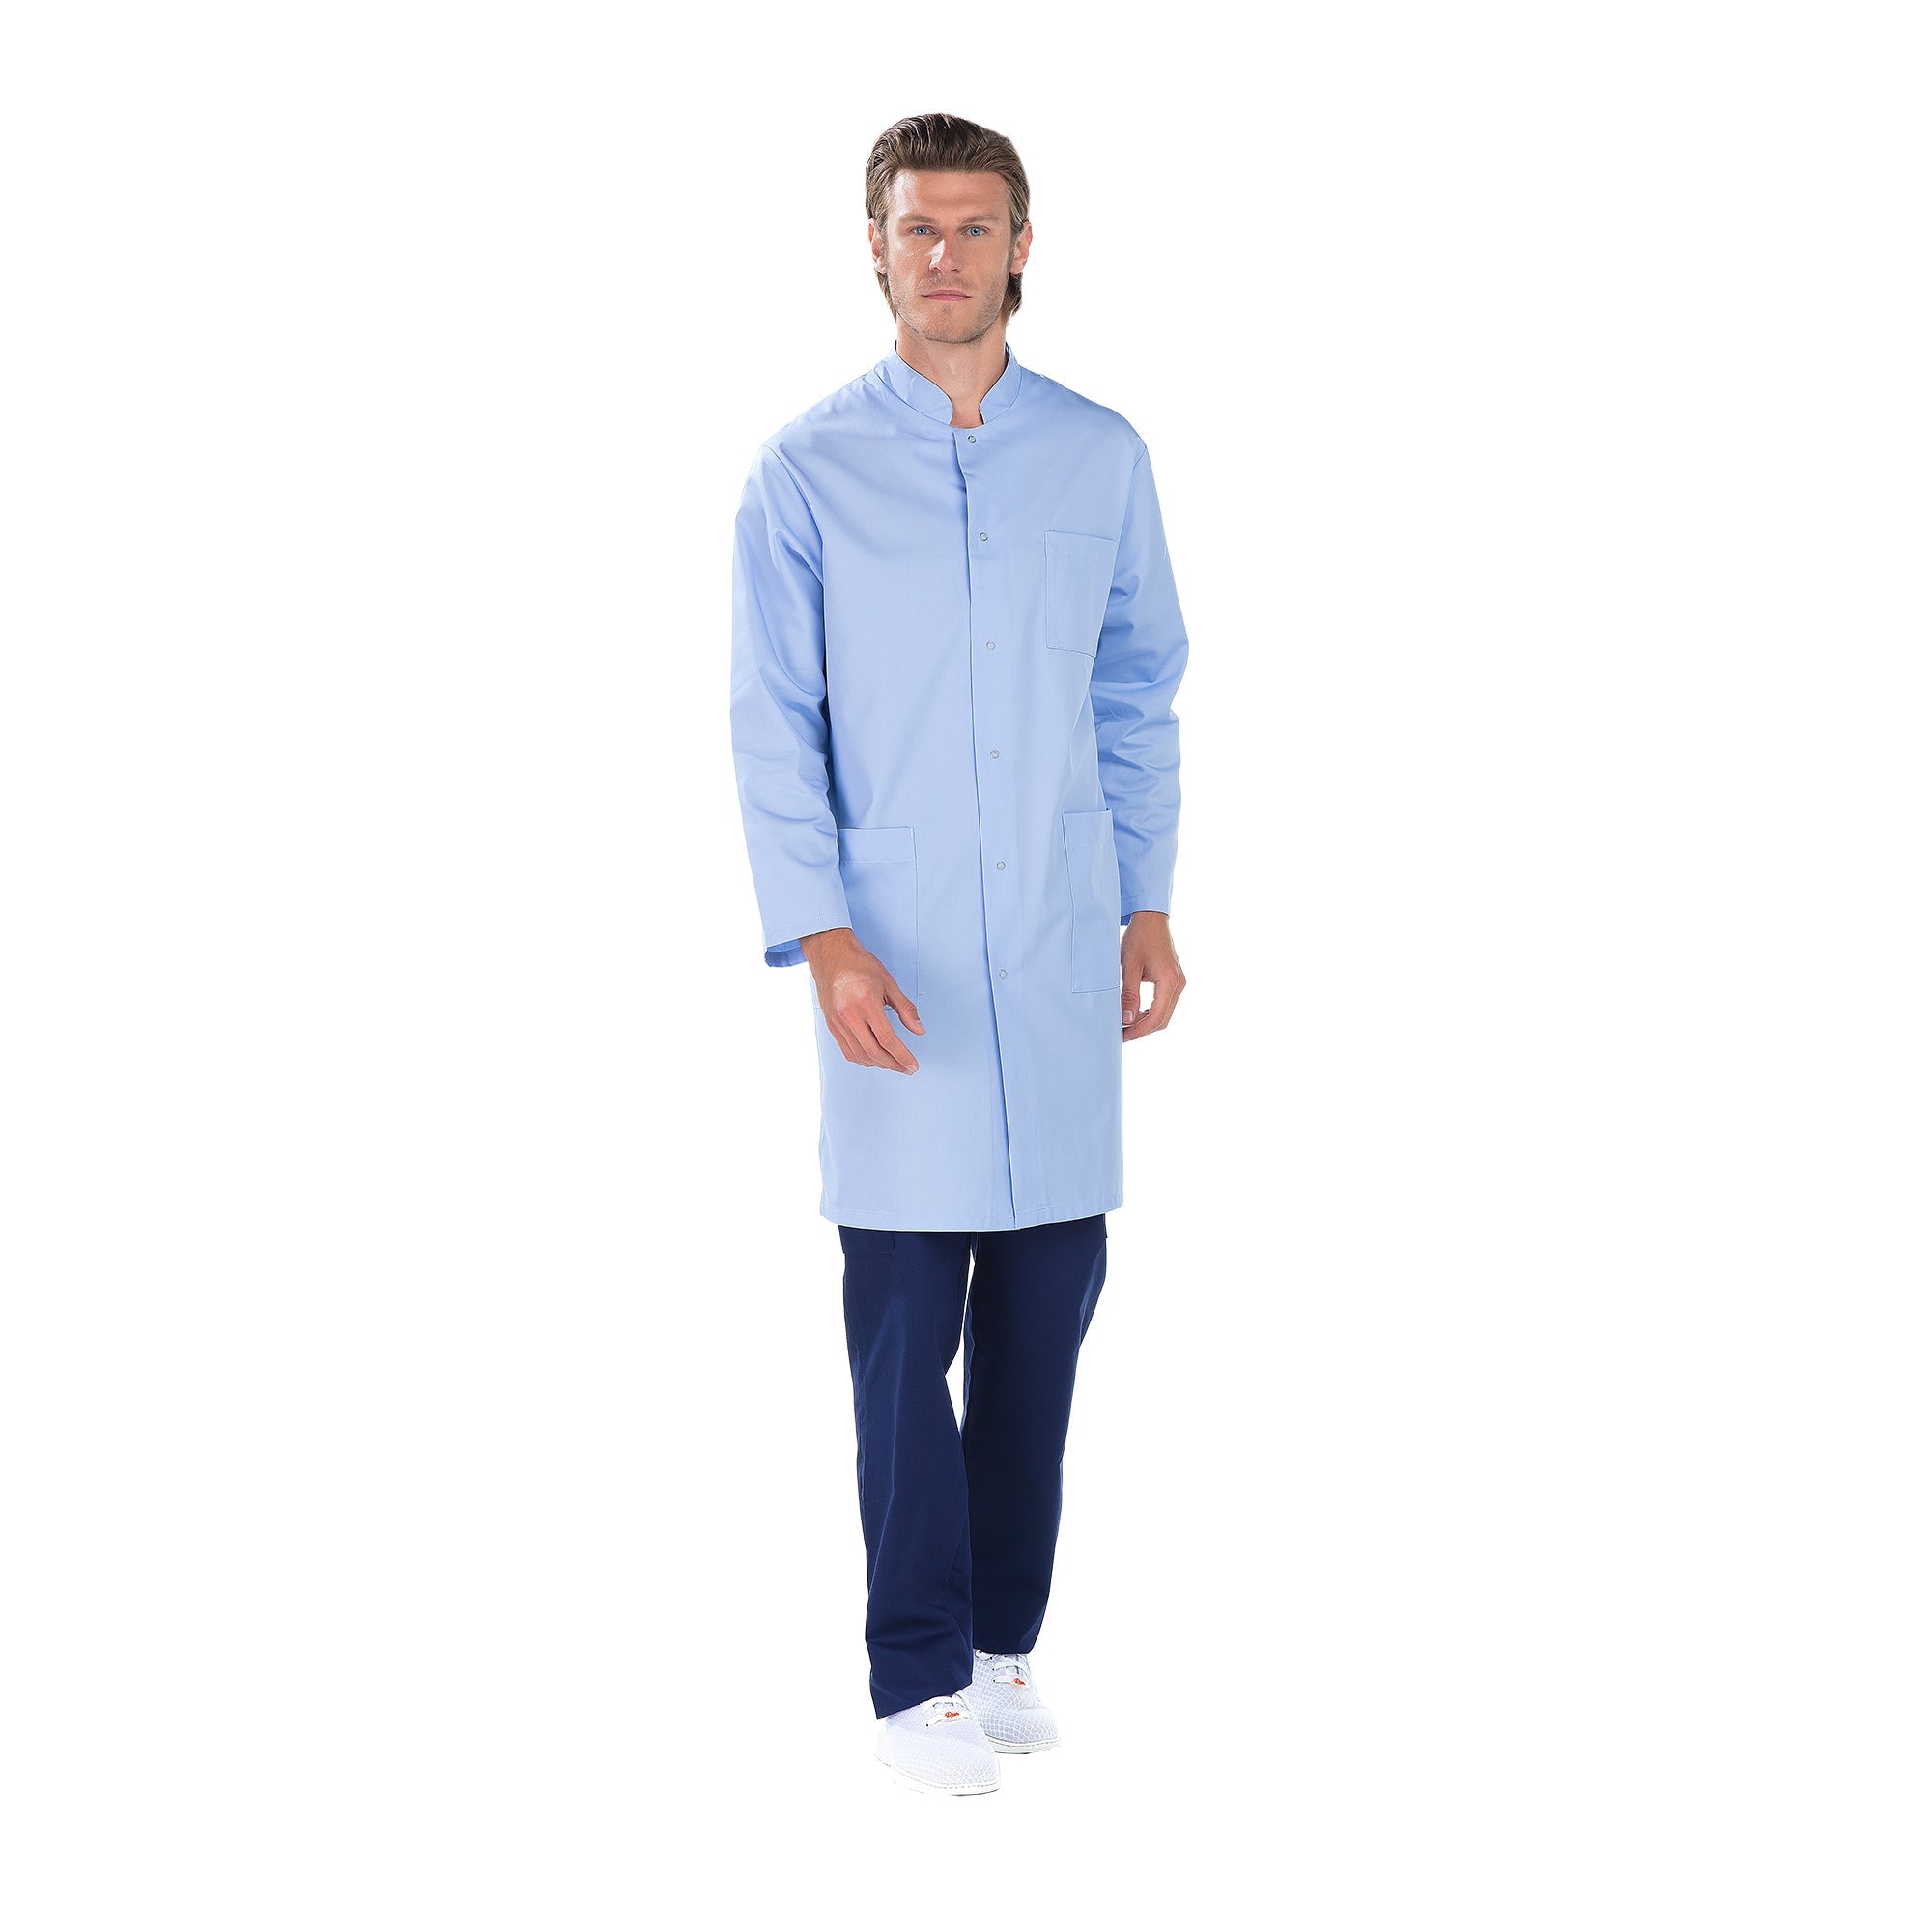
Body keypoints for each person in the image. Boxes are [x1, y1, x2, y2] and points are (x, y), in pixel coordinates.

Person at [729, 112, 1190, 1796]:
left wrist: (1146, 901)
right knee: (905, 1329)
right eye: (917, 228)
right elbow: (774, 724)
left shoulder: (1100, 457)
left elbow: (1136, 690)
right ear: (876, 246)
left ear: (1020, 246)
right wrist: (826, 937)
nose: (946, 255)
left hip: (1058, 960)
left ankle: (1001, 1648)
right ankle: (913, 1672)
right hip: (901, 969)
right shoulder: (806, 472)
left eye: (974, 227)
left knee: (1046, 1322)